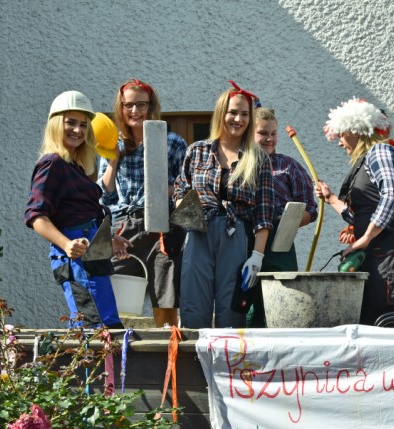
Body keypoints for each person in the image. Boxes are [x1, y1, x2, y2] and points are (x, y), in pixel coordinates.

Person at [173, 81, 275, 329]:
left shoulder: (258, 159)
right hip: (198, 232)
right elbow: (180, 188)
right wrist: (187, 213)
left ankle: (229, 355)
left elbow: (264, 212)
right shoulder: (197, 151)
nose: (238, 119)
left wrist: (257, 257)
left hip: (235, 233)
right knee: (193, 306)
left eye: (245, 114)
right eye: (233, 112)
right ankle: (193, 354)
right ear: (221, 113)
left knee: (231, 309)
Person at [24, 91, 130, 328]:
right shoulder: (52, 163)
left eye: (83, 125)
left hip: (91, 254)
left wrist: (106, 239)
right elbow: (36, 215)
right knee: (95, 329)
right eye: (70, 122)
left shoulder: (74, 166)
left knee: (106, 326)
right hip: (77, 259)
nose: (77, 130)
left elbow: (81, 213)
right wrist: (66, 244)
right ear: (55, 124)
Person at [315, 98, 394, 325]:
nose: (340, 143)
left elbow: (392, 196)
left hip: (389, 263)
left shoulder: (380, 151)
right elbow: (366, 216)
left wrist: (363, 239)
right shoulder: (367, 160)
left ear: (355, 130)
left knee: (386, 331)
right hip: (377, 261)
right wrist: (331, 198)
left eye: (341, 135)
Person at [98, 79, 188, 327]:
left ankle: (169, 348)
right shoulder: (112, 143)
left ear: (151, 106)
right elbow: (105, 195)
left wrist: (158, 192)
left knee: (166, 299)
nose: (135, 111)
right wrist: (113, 159)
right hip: (123, 228)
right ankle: (119, 349)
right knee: (118, 301)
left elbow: (185, 186)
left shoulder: (172, 142)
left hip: (163, 227)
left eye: (141, 105)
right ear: (121, 108)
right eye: (128, 105)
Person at [247, 107, 318, 327]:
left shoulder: (289, 166)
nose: (269, 139)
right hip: (243, 239)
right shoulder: (239, 163)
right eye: (262, 133)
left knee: (281, 302)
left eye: (273, 133)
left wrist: (289, 221)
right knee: (247, 303)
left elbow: (311, 209)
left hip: (279, 247)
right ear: (249, 133)